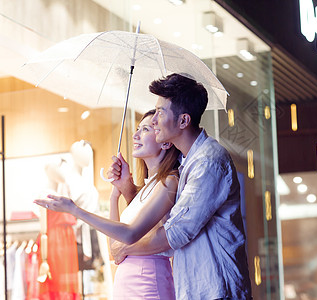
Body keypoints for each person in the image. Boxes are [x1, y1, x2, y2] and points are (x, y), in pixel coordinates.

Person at [109, 73, 252, 299]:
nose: (153, 120)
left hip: (217, 291)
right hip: (197, 290)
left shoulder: (208, 162)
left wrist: (126, 247)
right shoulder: (188, 163)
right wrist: (126, 189)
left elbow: (175, 233)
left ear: (184, 121)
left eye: (160, 112)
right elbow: (162, 220)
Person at [35, 109, 180, 300]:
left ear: (165, 141)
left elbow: (129, 234)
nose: (135, 135)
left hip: (148, 283)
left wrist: (74, 210)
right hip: (127, 282)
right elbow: (114, 247)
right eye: (137, 129)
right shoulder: (147, 187)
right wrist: (115, 195)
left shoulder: (169, 182)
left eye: (145, 130)